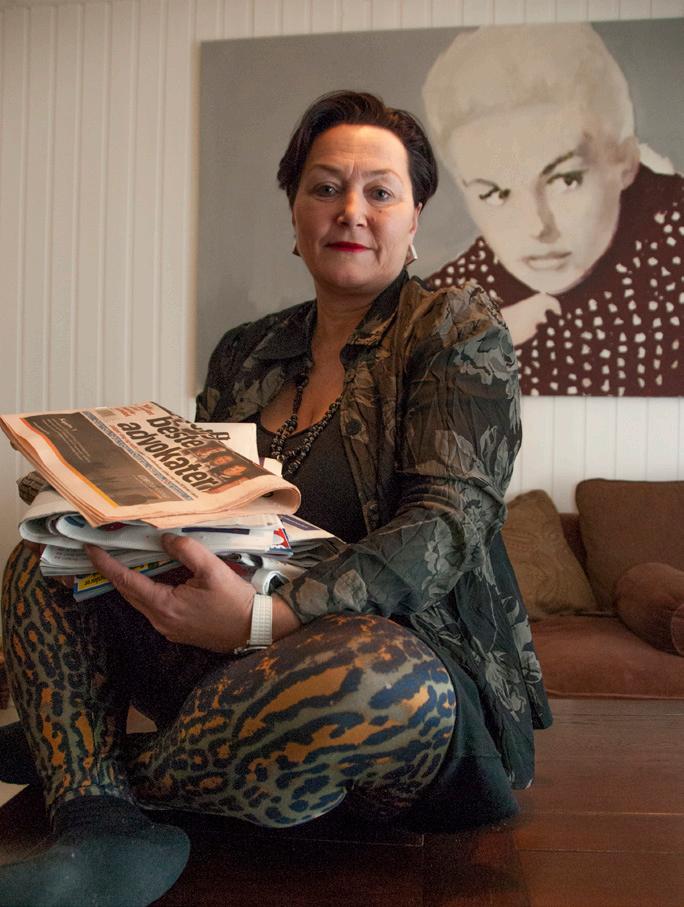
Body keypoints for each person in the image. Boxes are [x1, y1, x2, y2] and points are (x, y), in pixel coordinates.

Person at [0, 90, 551, 907]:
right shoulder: (248, 350)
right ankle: (102, 830)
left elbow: (448, 523)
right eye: (325, 187)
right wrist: (98, 510)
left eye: (380, 191)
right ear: (295, 213)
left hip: (391, 671)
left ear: (415, 219)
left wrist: (268, 618)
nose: (350, 210)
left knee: (372, 678)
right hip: (228, 658)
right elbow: (200, 508)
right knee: (44, 561)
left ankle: (95, 769)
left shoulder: (454, 328)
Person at [422, 24, 683, 396]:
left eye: (566, 181)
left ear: (625, 161)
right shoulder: (445, 309)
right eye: (494, 194)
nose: (537, 227)